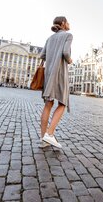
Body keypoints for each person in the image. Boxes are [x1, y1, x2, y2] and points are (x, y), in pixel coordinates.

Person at [39, 16, 73, 148]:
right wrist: (69, 60)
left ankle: (43, 139)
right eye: (68, 22)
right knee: (63, 103)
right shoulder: (68, 35)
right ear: (64, 23)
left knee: (48, 104)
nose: (69, 24)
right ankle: (50, 134)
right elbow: (65, 52)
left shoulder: (50, 38)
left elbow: (42, 55)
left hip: (48, 73)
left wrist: (52, 55)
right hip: (60, 72)